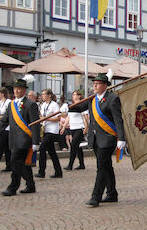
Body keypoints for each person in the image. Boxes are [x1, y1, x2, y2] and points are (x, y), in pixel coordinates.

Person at [69, 72, 126, 207]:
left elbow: (118, 120)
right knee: (106, 166)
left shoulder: (113, 99)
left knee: (101, 166)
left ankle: (96, 196)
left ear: (105, 85)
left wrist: (121, 138)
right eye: (94, 83)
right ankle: (112, 193)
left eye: (98, 83)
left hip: (108, 138)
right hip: (95, 138)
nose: (94, 85)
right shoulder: (92, 99)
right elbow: (79, 108)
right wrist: (68, 108)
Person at [0, 78, 40, 196]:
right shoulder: (11, 104)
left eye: (19, 88)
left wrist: (35, 141)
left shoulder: (31, 104)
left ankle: (12, 187)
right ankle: (30, 185)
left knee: (14, 162)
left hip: (24, 140)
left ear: (24, 90)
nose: (17, 91)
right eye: (15, 88)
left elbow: (35, 124)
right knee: (23, 164)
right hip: (13, 139)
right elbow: (5, 120)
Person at [36, 89, 63, 178]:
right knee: (52, 152)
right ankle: (58, 172)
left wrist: (46, 119)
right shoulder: (43, 105)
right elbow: (42, 116)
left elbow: (58, 118)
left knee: (42, 148)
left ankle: (41, 171)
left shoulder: (54, 105)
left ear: (49, 95)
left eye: (44, 94)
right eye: (42, 94)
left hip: (52, 130)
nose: (42, 96)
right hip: (46, 130)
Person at [61, 90, 86, 170]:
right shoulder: (71, 106)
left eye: (74, 94)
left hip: (80, 128)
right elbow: (68, 117)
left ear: (79, 96)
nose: (73, 96)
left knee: (73, 144)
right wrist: (64, 127)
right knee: (78, 147)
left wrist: (86, 127)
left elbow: (85, 116)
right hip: (73, 128)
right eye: (72, 95)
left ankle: (70, 165)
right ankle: (82, 164)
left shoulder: (82, 105)